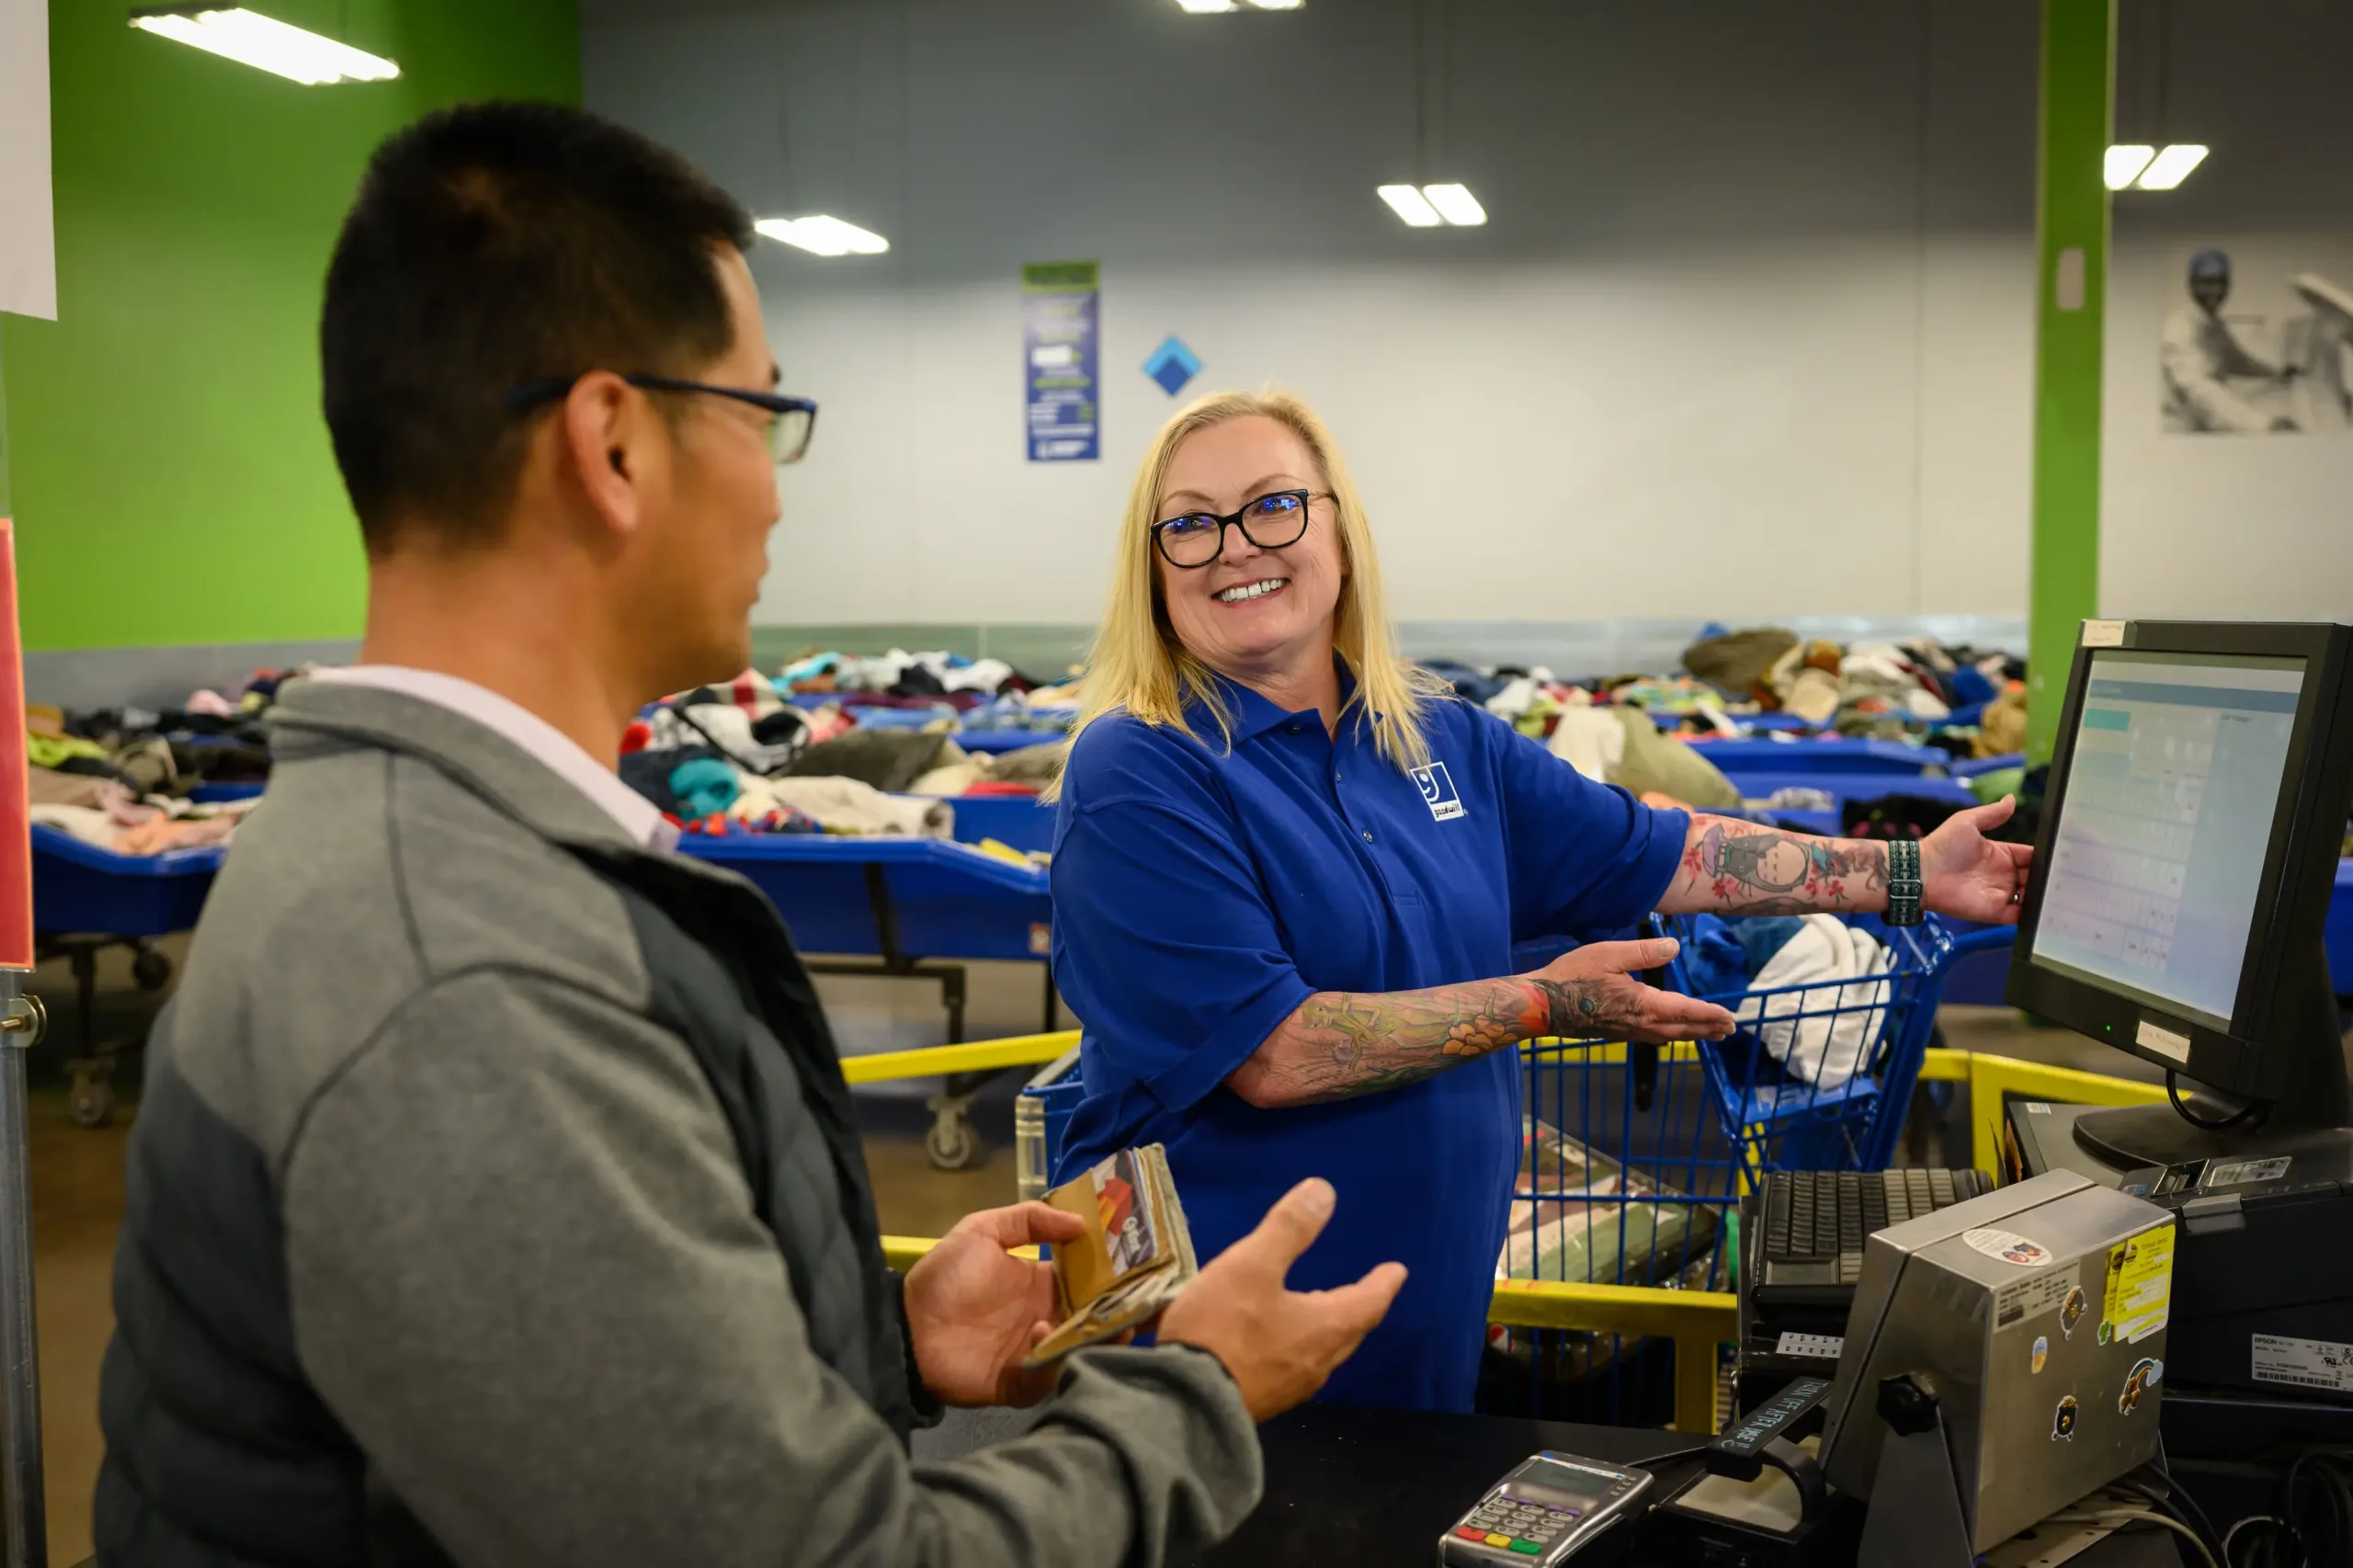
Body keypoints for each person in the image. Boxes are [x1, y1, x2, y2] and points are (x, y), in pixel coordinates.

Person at [94, 106, 1404, 1568]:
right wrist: (1198, 1394)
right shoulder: (465, 975)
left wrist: (869, 1344)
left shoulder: (431, 859)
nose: (779, 486)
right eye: (762, 414)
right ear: (612, 443)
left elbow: (581, 1442)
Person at [1047, 390, 2035, 1412]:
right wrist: (1541, 1001)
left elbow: (1664, 850)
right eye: (1190, 523)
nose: (1233, 546)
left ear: (1339, 529)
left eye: (1273, 505)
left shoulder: (1437, 735)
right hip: (1201, 1355)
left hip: (1411, 1325)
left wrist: (1912, 873)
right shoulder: (1138, 768)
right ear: (1152, 567)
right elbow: (1274, 1050)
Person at [2162, 247, 2297, 432]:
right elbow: (2200, 390)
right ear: (2191, 285)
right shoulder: (2178, 328)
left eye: (2221, 283)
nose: (2215, 290)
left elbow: (2237, 361)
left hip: (2208, 421)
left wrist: (2277, 373)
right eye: (2207, 283)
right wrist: (2264, 424)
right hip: (2181, 428)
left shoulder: (2214, 325)